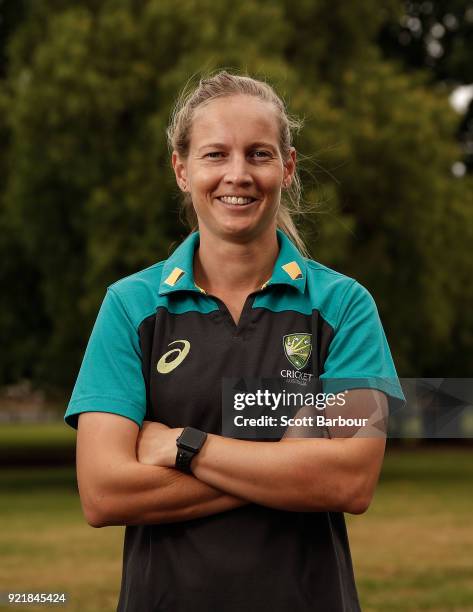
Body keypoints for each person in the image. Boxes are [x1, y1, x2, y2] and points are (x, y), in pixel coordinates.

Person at [64, 71, 404, 612]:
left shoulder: (345, 306)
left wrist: (183, 446)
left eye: (259, 154)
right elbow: (104, 493)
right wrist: (286, 469)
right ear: (182, 170)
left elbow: (350, 481)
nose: (238, 175)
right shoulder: (129, 307)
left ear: (288, 168)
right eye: (216, 154)